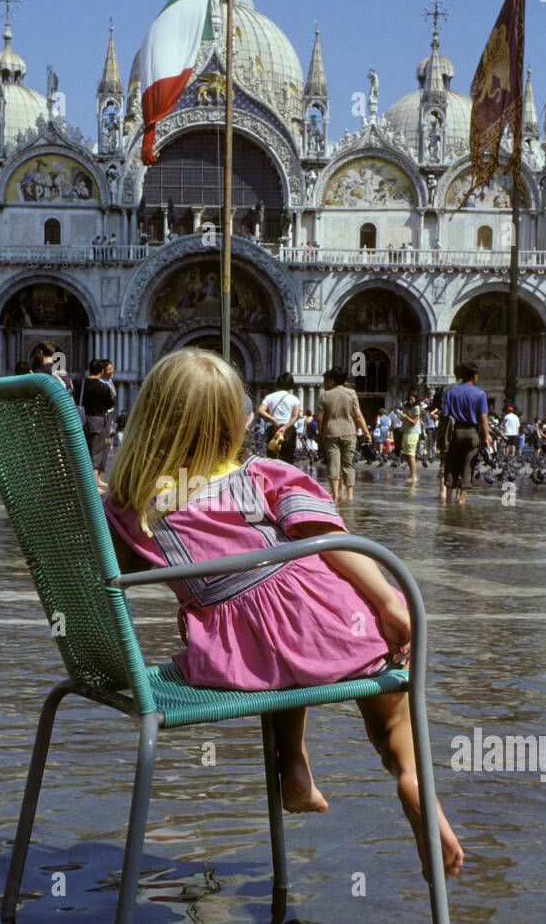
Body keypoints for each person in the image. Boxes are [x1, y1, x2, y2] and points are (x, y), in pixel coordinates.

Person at [104, 349, 463, 879]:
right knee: (382, 693)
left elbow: (112, 573)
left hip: (237, 660)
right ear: (231, 422)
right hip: (328, 631)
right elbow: (334, 542)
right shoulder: (263, 474)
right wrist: (388, 603)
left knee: (275, 651)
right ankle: (409, 772)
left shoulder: (132, 508)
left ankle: (292, 763)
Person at [316, 366, 370, 503]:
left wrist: (321, 433)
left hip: (330, 432)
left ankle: (335, 495)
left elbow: (320, 418)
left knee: (333, 464)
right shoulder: (351, 393)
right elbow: (358, 415)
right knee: (348, 464)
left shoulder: (325, 395)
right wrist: (366, 431)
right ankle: (350, 495)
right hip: (349, 432)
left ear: (332, 380)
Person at [441, 363, 491, 504]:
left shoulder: (451, 392)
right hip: (472, 433)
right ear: (475, 376)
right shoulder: (480, 394)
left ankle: (449, 499)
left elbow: (445, 414)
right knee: (468, 465)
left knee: (451, 464)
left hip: (456, 432)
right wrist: (486, 435)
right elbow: (483, 418)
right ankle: (461, 499)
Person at [79, 357, 116, 491]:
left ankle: (87, 481)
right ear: (101, 371)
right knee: (96, 452)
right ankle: (93, 484)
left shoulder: (81, 384)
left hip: (82, 420)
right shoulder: (103, 387)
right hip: (98, 421)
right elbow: (110, 403)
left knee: (84, 450)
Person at [258, 372, 301, 464]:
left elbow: (260, 410)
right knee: (287, 460)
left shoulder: (270, 397)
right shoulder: (294, 399)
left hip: (273, 429)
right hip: (288, 431)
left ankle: (272, 477)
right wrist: (284, 428)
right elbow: (295, 416)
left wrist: (272, 419)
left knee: (272, 459)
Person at [399, 389, 422, 485]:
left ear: (416, 399)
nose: (410, 401)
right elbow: (403, 420)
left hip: (413, 432)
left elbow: (414, 422)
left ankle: (414, 476)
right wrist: (400, 416)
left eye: (412, 399)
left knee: (411, 453)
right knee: (406, 454)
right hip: (405, 431)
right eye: (409, 399)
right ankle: (411, 474)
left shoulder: (417, 408)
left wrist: (406, 417)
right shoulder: (406, 407)